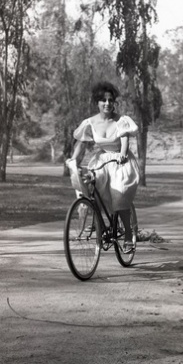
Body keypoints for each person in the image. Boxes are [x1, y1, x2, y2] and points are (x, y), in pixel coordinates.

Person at [67, 81, 140, 252]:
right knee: (94, 190)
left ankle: (128, 236)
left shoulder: (121, 120)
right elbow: (81, 143)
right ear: (97, 102)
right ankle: (99, 228)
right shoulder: (90, 123)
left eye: (110, 100)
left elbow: (124, 140)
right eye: (103, 100)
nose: (107, 104)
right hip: (102, 161)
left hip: (120, 161)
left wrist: (122, 153)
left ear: (114, 102)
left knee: (119, 193)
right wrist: (73, 160)